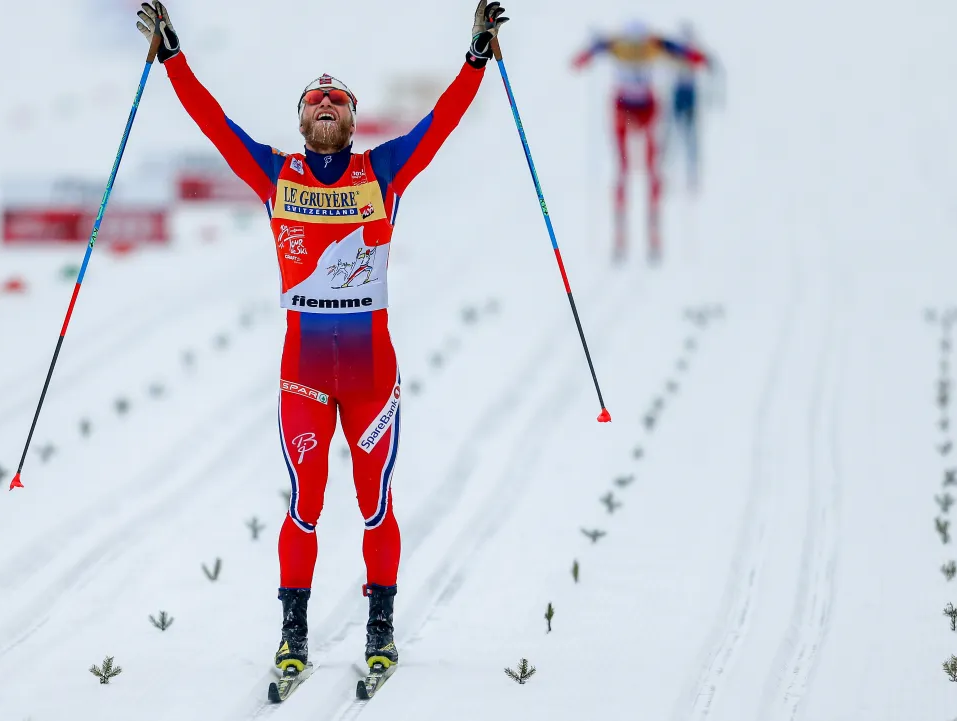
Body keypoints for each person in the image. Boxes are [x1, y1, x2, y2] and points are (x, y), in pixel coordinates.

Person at [135, 0, 509, 674]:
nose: (326, 106)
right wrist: (173, 59)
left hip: (371, 378)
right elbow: (213, 124)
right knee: (304, 503)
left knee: (374, 504)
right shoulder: (276, 174)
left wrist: (474, 60)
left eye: (337, 100)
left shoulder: (383, 171)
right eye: (316, 102)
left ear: (352, 119)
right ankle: (293, 634)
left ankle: (380, 627)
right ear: (302, 121)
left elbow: (441, 123)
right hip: (304, 377)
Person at [571, 20, 709, 263]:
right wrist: (584, 57)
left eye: (638, 47)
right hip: (625, 109)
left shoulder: (646, 43)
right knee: (625, 171)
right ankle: (622, 236)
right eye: (631, 47)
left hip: (644, 109)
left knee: (650, 170)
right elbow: (589, 53)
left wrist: (696, 57)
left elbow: (682, 52)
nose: (635, 51)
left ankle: (652, 233)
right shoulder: (629, 43)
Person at [661, 21, 720, 192]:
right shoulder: (674, 51)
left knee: (689, 138)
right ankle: (668, 174)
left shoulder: (693, 52)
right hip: (677, 95)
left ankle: (691, 177)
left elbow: (708, 64)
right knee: (671, 137)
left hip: (689, 96)